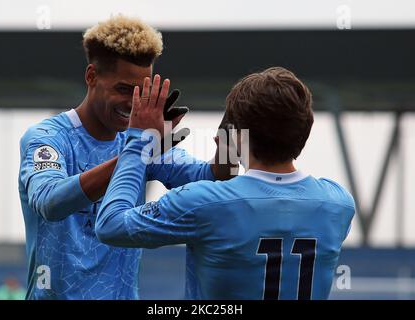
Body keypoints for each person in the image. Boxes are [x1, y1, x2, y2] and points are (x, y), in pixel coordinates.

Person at [18, 15, 233, 300]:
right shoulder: (48, 137)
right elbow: (50, 202)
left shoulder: (138, 140)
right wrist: (137, 150)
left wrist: (233, 133)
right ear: (91, 77)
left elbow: (214, 179)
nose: (133, 103)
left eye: (141, 92)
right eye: (123, 89)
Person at [95, 67, 355, 300]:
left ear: (234, 135)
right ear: (305, 130)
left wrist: (138, 142)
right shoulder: (338, 203)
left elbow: (110, 225)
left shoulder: (202, 203)